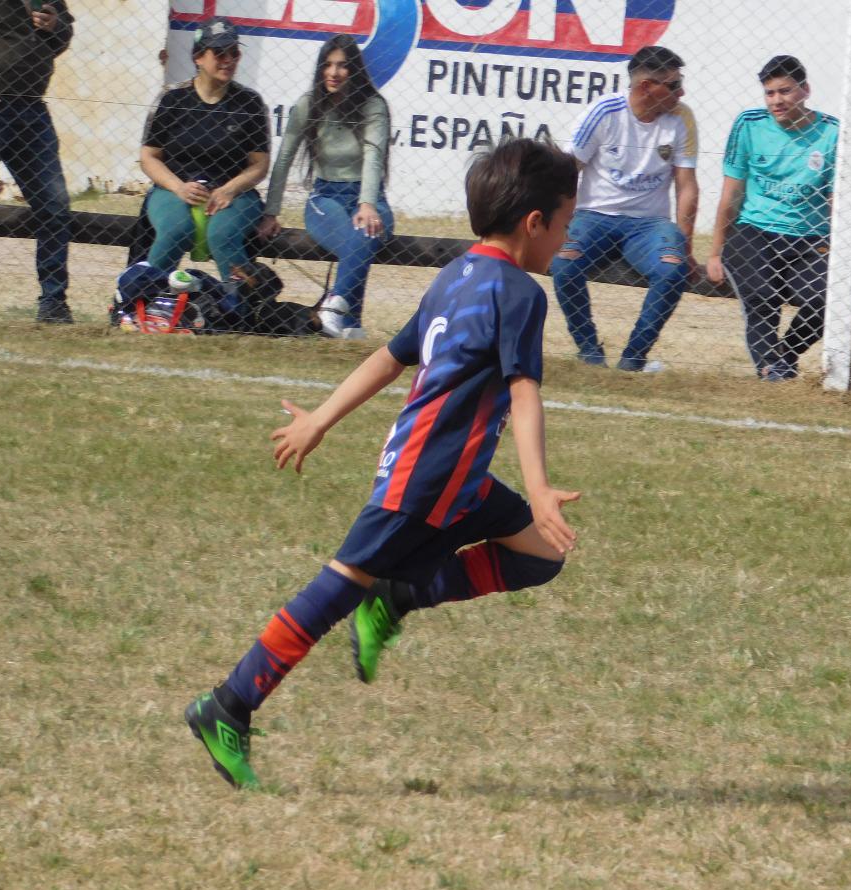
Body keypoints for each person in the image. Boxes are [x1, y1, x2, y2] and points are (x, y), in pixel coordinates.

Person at [184, 138, 582, 789]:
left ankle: (398, 597)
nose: (567, 236)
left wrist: (321, 418)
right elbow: (523, 391)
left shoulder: (455, 274)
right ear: (534, 223)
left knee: (541, 553)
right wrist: (537, 486)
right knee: (336, 589)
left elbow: (389, 357)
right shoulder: (519, 292)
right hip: (426, 479)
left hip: (457, 479)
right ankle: (228, 705)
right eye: (566, 222)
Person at [552, 45, 699, 372]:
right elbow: (566, 171)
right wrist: (561, 224)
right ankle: (590, 351)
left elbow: (686, 185)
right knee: (563, 265)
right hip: (593, 219)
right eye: (673, 85)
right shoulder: (604, 112)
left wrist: (683, 243)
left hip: (649, 226)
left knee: (672, 271)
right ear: (646, 87)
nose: (682, 92)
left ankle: (633, 358)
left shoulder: (682, 118)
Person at [705, 55, 839, 381]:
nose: (776, 101)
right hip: (755, 230)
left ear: (805, 90)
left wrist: (839, 251)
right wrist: (714, 253)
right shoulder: (749, 124)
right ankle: (769, 368)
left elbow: (839, 202)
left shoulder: (832, 133)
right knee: (761, 296)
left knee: (828, 298)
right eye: (769, 93)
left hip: (810, 236)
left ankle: (786, 355)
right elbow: (731, 195)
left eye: (785, 91)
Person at [258, 34, 391, 340]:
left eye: (342, 66)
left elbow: (374, 156)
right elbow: (283, 160)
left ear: (354, 70)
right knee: (356, 243)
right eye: (328, 65)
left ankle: (336, 313)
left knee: (367, 231)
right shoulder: (307, 105)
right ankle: (348, 320)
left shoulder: (374, 106)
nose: (333, 72)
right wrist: (271, 212)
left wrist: (367, 203)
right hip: (326, 196)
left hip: (368, 196)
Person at [0, 0, 74, 323]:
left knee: (54, 206)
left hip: (32, 111)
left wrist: (56, 27)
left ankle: (53, 302)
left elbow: (63, 37)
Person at [139, 16, 269, 283]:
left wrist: (229, 189)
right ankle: (141, 300)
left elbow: (260, 164)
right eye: (219, 53)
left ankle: (240, 309)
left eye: (233, 52)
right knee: (176, 229)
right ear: (198, 57)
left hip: (233, 191)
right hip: (174, 187)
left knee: (222, 235)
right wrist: (178, 187)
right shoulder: (172, 98)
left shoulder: (250, 103)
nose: (228, 60)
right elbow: (149, 157)